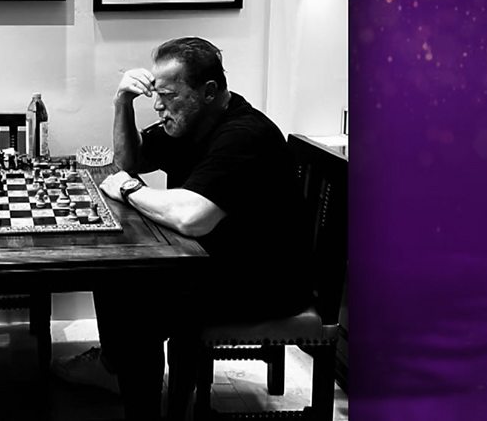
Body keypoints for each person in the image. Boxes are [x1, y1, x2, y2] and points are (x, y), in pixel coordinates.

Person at [52, 38, 312, 421]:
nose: (158, 105)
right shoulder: (191, 122)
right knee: (114, 277)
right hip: (216, 262)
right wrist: (122, 103)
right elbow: (129, 162)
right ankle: (116, 368)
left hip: (266, 281)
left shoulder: (244, 134)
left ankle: (140, 401)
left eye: (168, 96)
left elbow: (193, 217)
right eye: (156, 94)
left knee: (136, 307)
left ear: (208, 92)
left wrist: (129, 189)